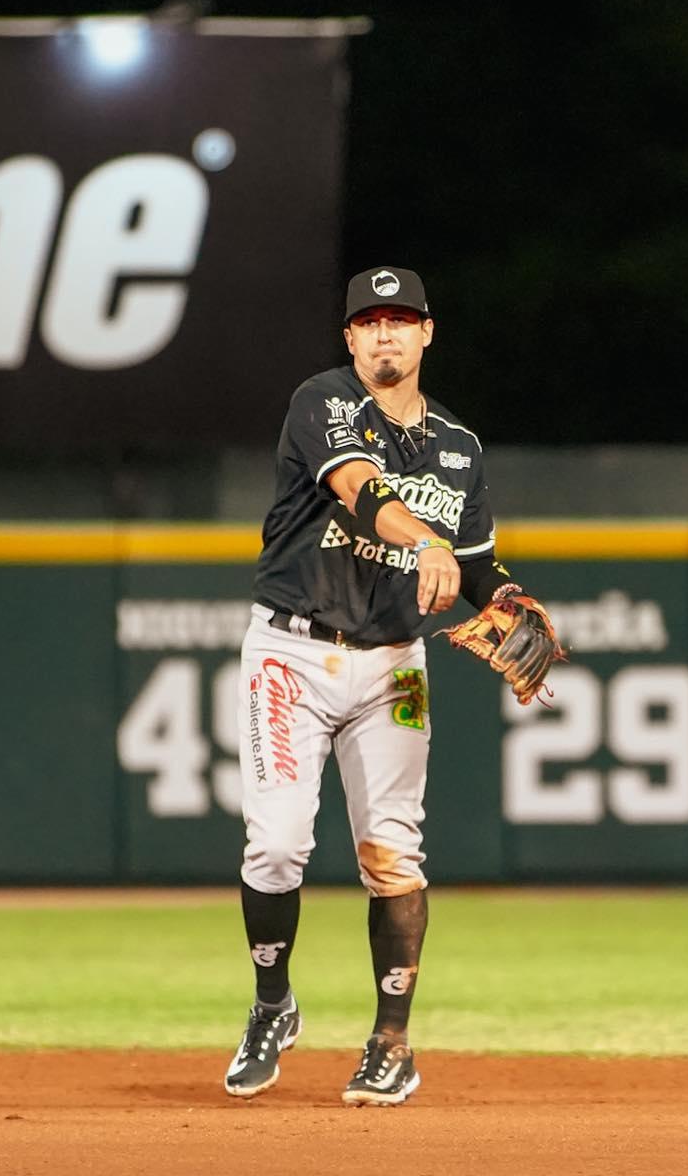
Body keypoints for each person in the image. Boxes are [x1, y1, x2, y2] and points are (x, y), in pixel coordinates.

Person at [224, 265, 535, 1106]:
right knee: (278, 845)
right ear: (350, 338)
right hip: (292, 651)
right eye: (370, 322)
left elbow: (473, 564)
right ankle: (271, 1004)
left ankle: (391, 1044)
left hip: (395, 662)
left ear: (428, 333)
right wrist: (423, 542)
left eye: (402, 320)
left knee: (393, 852)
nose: (386, 334)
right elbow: (359, 489)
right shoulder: (323, 402)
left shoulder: (460, 448)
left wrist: (506, 597)